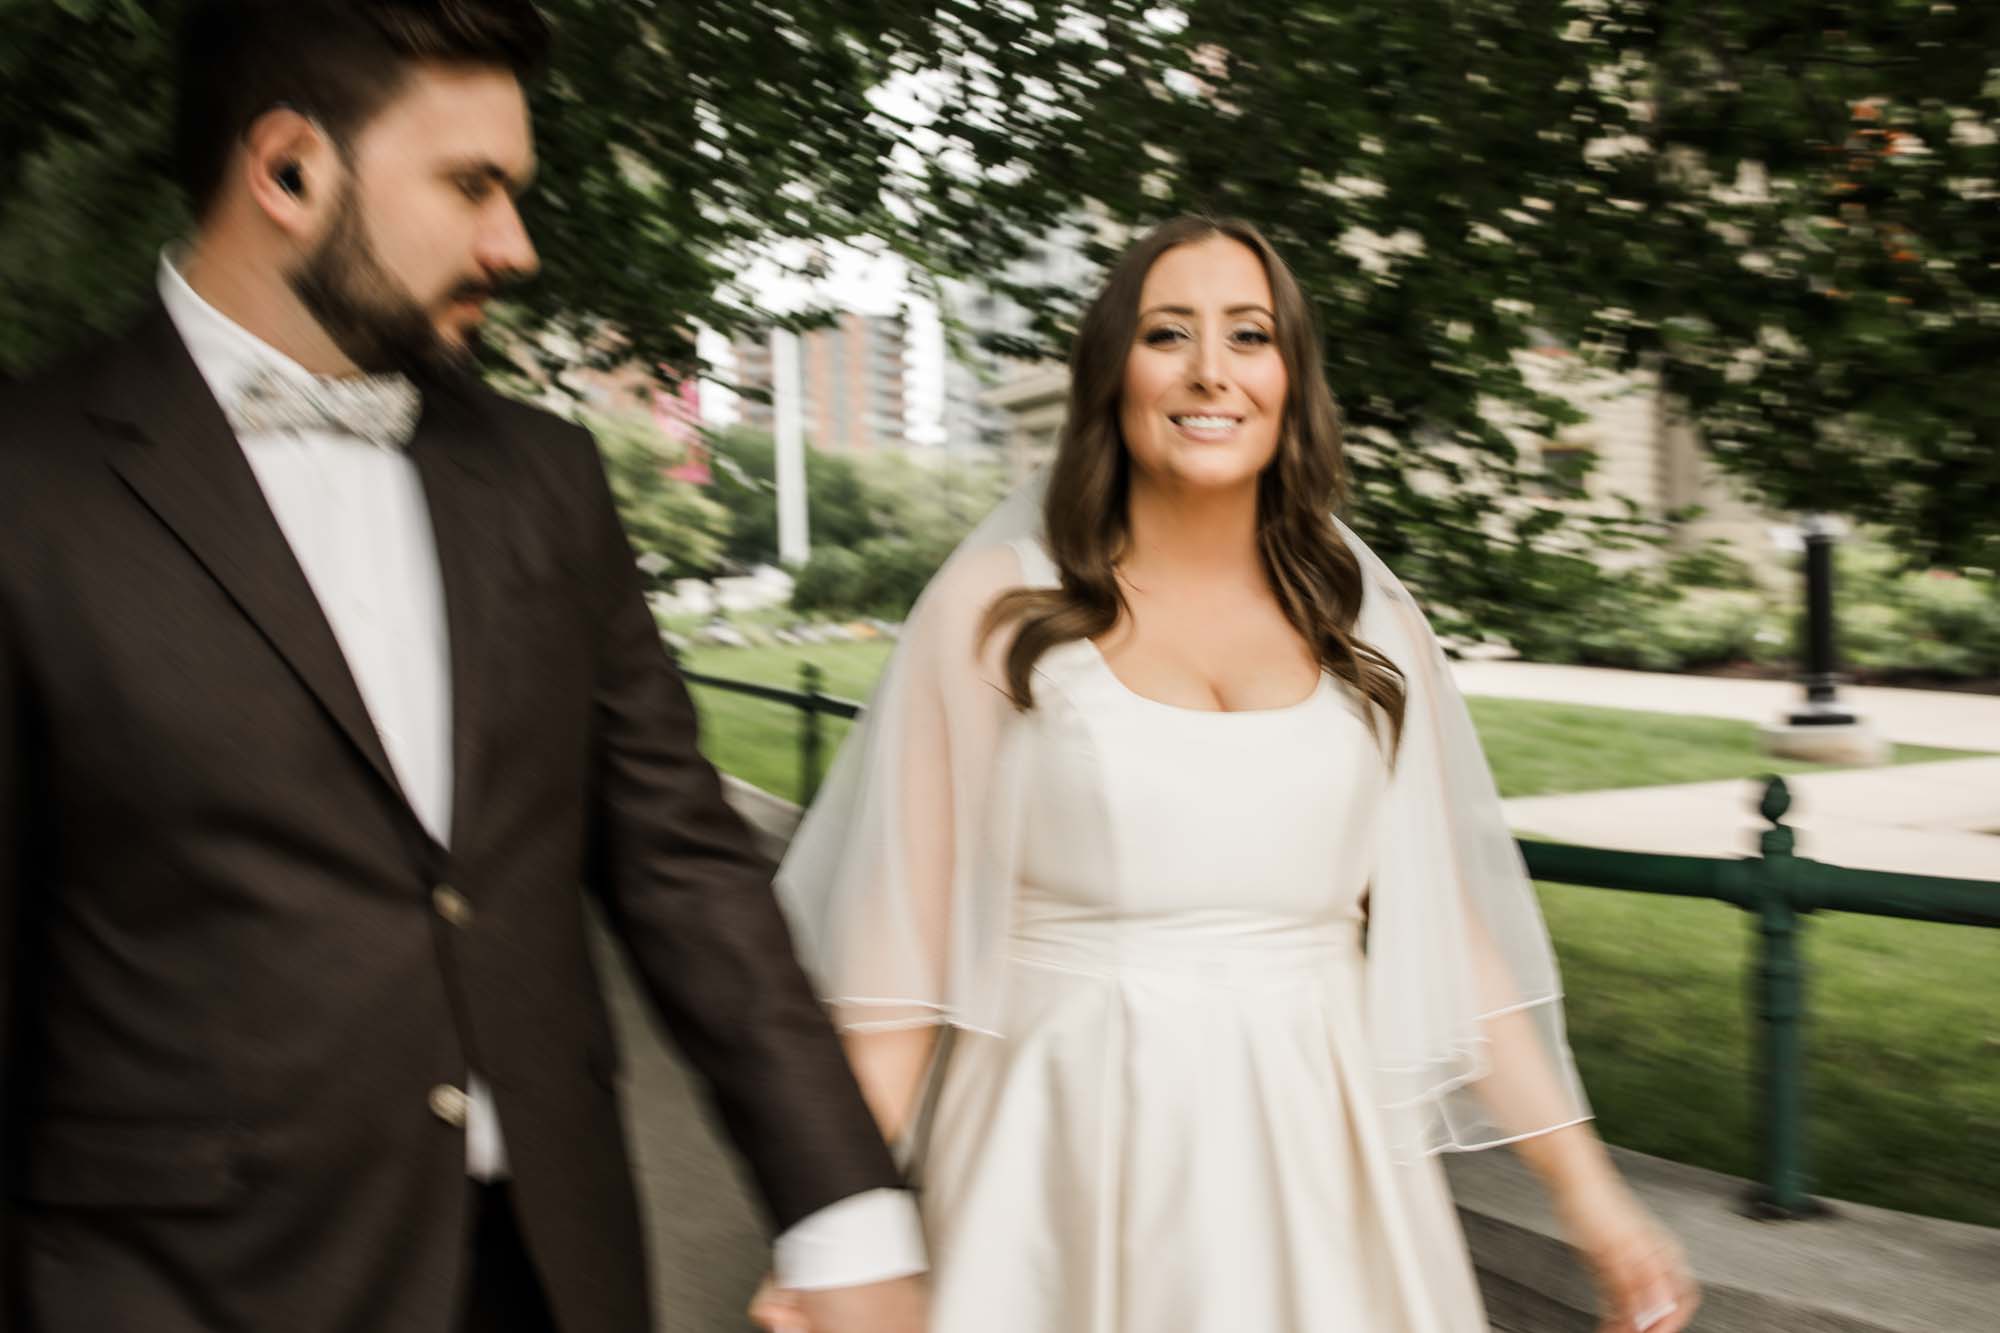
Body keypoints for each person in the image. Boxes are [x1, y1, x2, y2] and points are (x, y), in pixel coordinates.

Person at [0, 2, 927, 1329]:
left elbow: (687, 870)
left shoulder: (548, 480)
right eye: (471, 185)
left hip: (548, 1274)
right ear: (287, 170)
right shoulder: (28, 484)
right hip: (179, 1291)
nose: (517, 244)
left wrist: (846, 1224)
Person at [763, 216, 1701, 1332]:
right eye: (1168, 333)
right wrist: (832, 1232)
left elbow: (1447, 940)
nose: (1210, 368)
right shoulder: (995, 614)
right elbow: (894, 967)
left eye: (1247, 335)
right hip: (1057, 1150)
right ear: (1111, 373)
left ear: (1289, 380)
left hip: (1318, 1153)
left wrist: (1593, 1199)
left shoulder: (1369, 630)